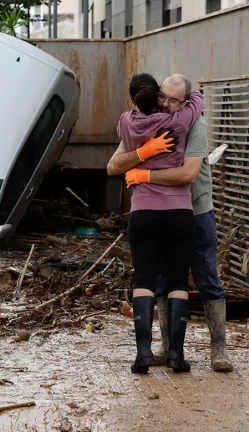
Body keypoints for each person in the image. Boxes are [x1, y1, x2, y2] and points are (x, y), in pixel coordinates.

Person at [107, 74, 234, 372]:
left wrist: (145, 174)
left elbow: (188, 174)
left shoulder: (194, 124)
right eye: (161, 95)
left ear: (185, 102)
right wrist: (144, 151)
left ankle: (219, 349)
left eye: (173, 100)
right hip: (173, 212)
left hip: (197, 209)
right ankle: (168, 347)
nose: (165, 103)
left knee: (206, 277)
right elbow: (114, 164)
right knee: (166, 280)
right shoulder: (159, 117)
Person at [114, 73, 203, 374]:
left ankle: (144, 355)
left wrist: (143, 153)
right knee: (178, 280)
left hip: (143, 212)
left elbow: (118, 159)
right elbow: (197, 104)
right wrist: (195, 95)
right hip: (179, 211)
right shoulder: (179, 122)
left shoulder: (126, 122)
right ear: (156, 95)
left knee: (144, 281)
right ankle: (176, 355)